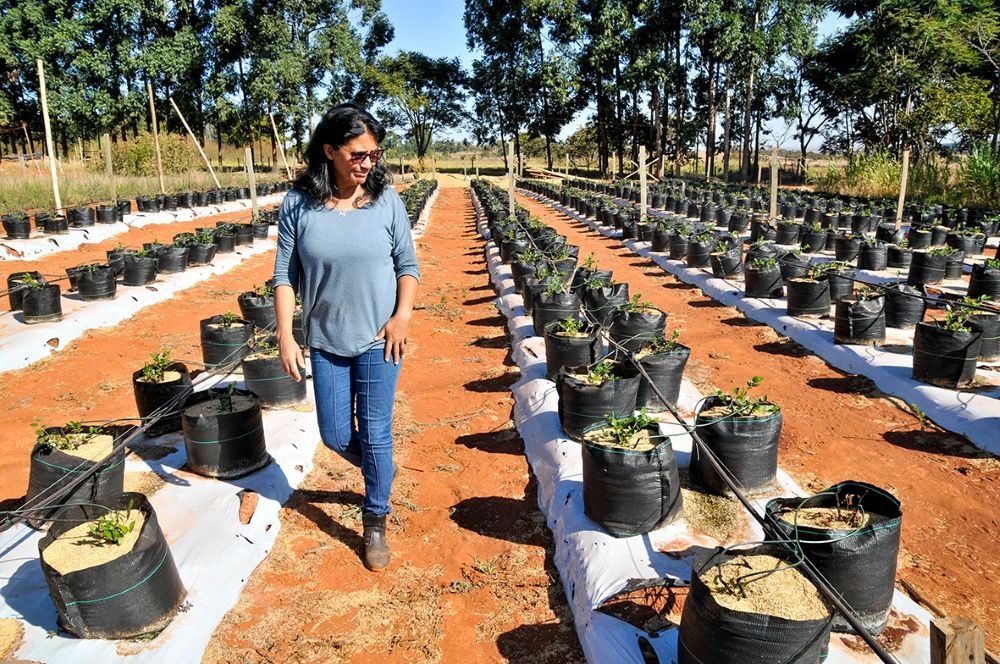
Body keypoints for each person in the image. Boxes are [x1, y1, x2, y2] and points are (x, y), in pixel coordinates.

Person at [272, 102, 419, 571]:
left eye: (373, 154)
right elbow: (284, 276)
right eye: (357, 154)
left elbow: (407, 267)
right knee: (335, 435)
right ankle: (382, 472)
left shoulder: (386, 202)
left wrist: (402, 318)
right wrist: (285, 335)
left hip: (380, 338)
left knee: (375, 434)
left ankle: (375, 518)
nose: (367, 163)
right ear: (330, 150)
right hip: (325, 338)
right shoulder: (298, 204)